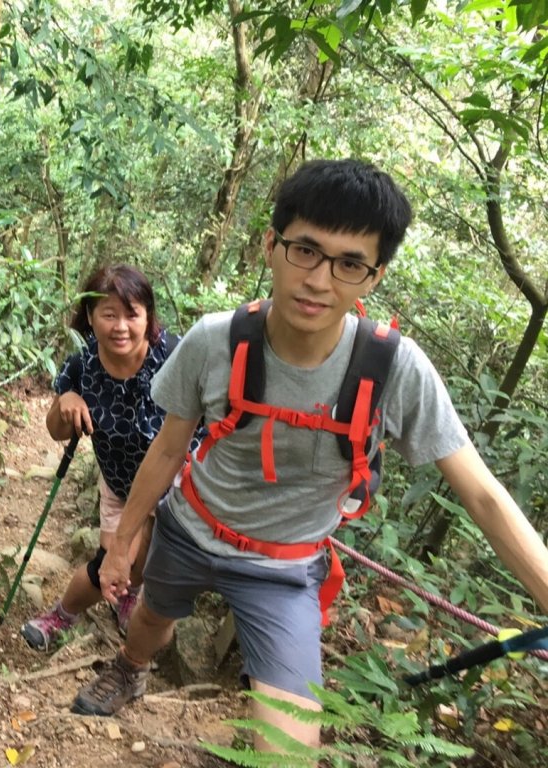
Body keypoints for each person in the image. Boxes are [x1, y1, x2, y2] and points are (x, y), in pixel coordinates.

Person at [72, 159, 548, 755]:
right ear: (271, 247)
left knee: (290, 747)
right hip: (191, 528)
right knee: (150, 618)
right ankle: (131, 668)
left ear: (373, 277)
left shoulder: (394, 370)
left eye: (349, 263)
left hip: (284, 569)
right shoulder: (215, 341)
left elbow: (480, 493)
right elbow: (169, 448)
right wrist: (122, 544)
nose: (319, 280)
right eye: (305, 251)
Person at [20, 264, 185, 651]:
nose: (121, 326)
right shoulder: (83, 365)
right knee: (110, 561)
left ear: (148, 316)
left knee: (131, 560)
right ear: (90, 317)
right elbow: (56, 431)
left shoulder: (174, 356)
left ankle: (105, 601)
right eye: (109, 315)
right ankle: (66, 615)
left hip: (172, 484)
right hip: (118, 482)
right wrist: (66, 401)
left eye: (132, 314)